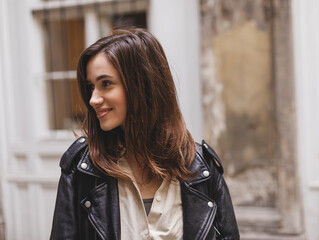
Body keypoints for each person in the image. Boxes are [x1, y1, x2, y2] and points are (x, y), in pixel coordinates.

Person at [50, 28, 239, 240]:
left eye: (106, 84)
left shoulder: (202, 167)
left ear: (143, 84)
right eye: (91, 87)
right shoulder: (82, 169)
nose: (93, 99)